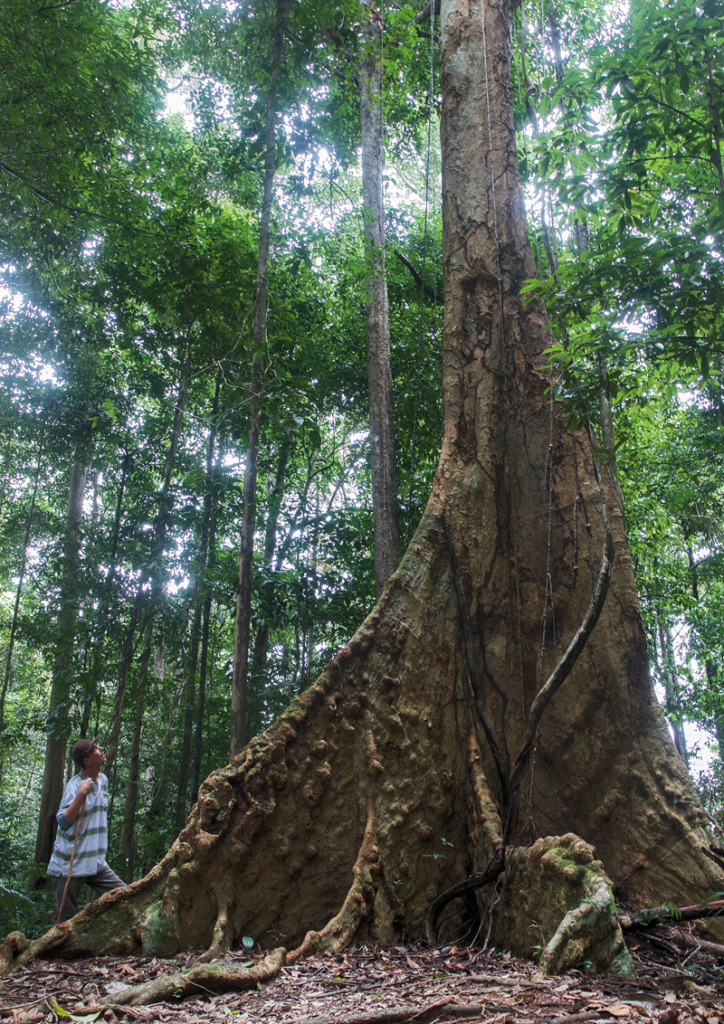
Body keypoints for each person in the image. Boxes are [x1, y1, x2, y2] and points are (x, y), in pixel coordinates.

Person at [47, 738, 126, 922]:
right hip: (69, 865)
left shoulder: (104, 780)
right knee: (65, 923)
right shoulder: (75, 786)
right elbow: (63, 822)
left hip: (95, 863)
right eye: (95, 749)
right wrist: (81, 793)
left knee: (126, 895)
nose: (100, 749)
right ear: (87, 761)